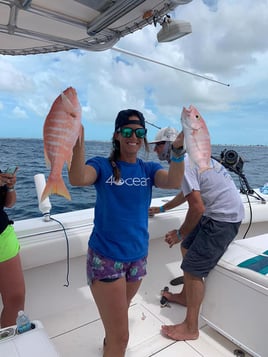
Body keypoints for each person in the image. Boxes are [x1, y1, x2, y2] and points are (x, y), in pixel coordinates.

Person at [68, 109, 185, 357]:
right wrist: (77, 142)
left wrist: (177, 150)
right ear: (117, 135)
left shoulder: (148, 169)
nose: (134, 136)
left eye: (140, 132)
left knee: (117, 325)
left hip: (137, 258)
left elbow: (174, 181)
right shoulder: (101, 165)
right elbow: (78, 178)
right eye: (128, 131)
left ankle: (108, 348)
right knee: (122, 335)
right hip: (106, 258)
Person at [149, 127, 245, 341]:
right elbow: (188, 191)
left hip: (224, 219)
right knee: (187, 248)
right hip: (217, 213)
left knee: (191, 267)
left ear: (170, 145)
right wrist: (163, 209)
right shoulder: (190, 159)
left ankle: (191, 328)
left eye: (158, 146)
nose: (155, 151)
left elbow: (197, 208)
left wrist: (179, 233)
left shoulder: (185, 164)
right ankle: (185, 296)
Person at [0, 167, 25, 327]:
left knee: (16, 298)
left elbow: (9, 203)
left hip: (3, 236)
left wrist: (10, 186)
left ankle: (7, 345)